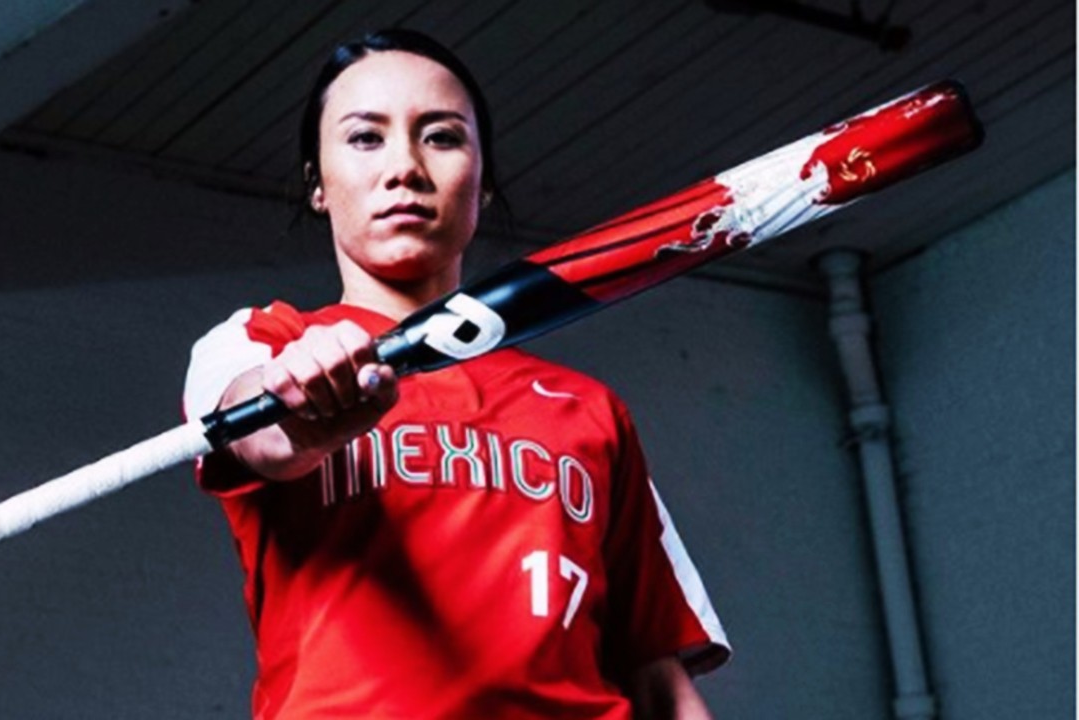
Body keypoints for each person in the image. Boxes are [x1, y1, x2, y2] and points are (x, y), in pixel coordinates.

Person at [182, 29, 730, 720]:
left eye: (441, 137)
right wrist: (302, 412)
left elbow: (658, 679)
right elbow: (256, 434)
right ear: (317, 184)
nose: (405, 168)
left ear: (484, 182)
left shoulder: (589, 409)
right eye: (365, 138)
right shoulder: (263, 342)